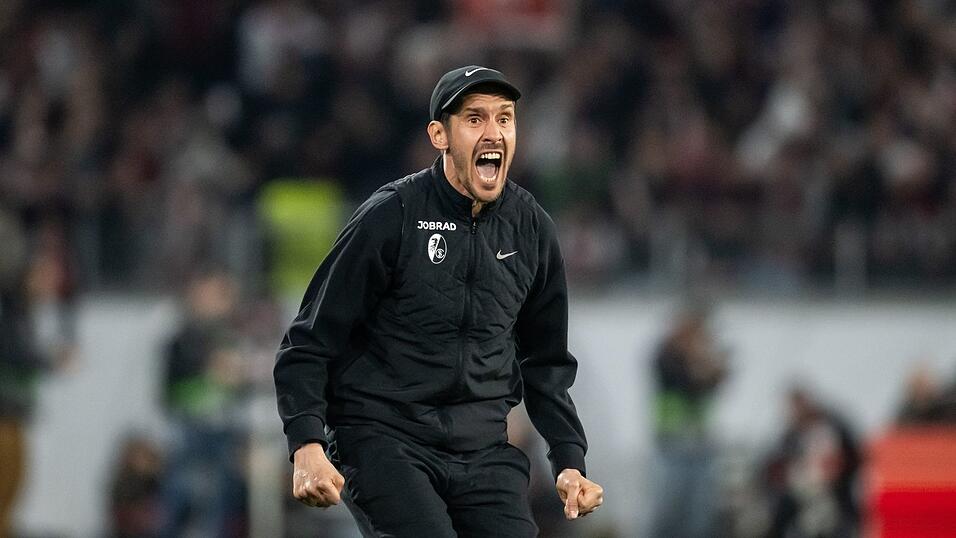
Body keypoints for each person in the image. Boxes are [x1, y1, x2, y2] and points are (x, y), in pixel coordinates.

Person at [274, 65, 603, 537]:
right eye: (474, 119)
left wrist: (569, 460)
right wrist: (306, 442)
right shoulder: (392, 216)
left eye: (504, 118)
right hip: (384, 440)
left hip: (484, 450)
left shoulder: (533, 230)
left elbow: (545, 363)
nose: (494, 132)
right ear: (439, 135)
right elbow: (307, 343)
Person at [649, 306, 728, 538]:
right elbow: (689, 383)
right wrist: (704, 364)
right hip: (672, 441)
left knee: (699, 513)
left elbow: (713, 382)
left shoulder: (701, 358)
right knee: (669, 508)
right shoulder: (666, 356)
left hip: (700, 441)